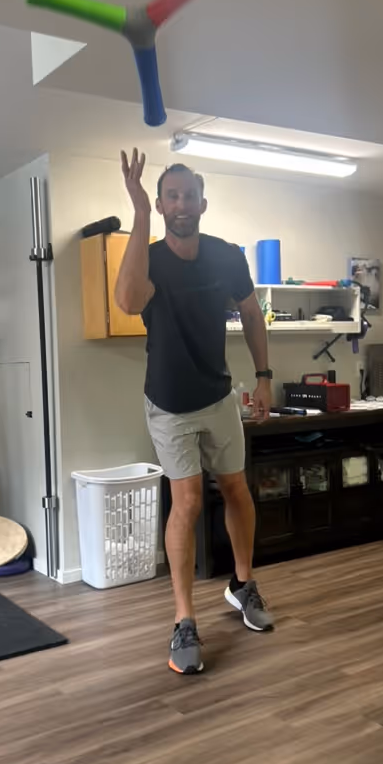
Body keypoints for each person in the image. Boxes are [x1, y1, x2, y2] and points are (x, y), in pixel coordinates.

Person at [115, 148, 275, 675]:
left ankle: (242, 584)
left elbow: (251, 312)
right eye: (171, 197)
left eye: (190, 195)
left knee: (236, 489)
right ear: (162, 205)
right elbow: (128, 302)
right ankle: (184, 619)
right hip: (169, 403)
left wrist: (265, 378)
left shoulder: (228, 255)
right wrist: (138, 215)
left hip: (218, 395)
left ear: (204, 202)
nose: (182, 204)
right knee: (185, 502)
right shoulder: (152, 256)